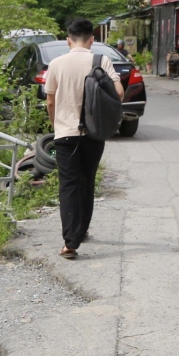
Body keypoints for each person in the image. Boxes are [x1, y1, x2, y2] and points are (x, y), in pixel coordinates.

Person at [45, 18, 123, 259]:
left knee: (69, 185)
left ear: (68, 40)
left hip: (65, 135)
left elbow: (50, 100)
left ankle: (70, 242)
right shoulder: (102, 61)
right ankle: (83, 229)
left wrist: (55, 122)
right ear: (92, 40)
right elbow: (118, 93)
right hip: (93, 133)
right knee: (87, 181)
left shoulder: (56, 64)